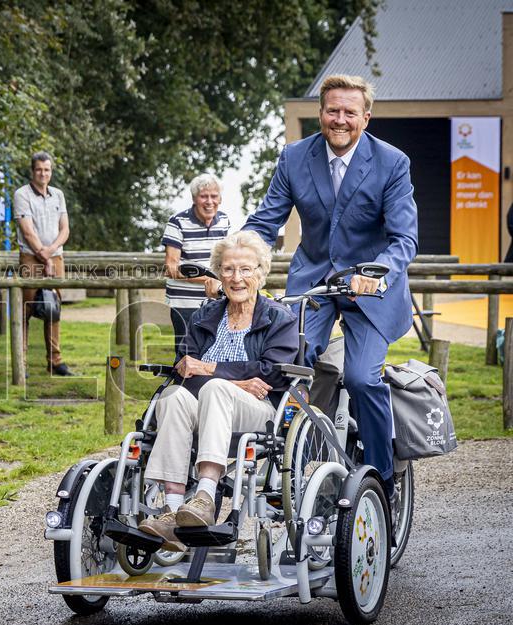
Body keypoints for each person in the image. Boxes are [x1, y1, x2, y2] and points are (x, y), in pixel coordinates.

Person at [241, 74, 418, 501]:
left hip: (371, 289)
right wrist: (238, 258)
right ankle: (296, 460)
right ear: (321, 113)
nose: (340, 119)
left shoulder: (392, 162)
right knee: (290, 367)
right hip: (315, 282)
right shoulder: (295, 157)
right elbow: (266, 222)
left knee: (360, 378)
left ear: (366, 118)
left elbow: (404, 239)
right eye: (332, 110)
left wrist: (376, 274)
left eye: (349, 112)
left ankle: (381, 477)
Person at [139, 232, 296, 549]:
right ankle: (172, 511)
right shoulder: (205, 315)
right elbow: (185, 371)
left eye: (245, 269)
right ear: (218, 274)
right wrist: (236, 380)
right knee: (173, 396)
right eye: (227, 270)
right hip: (207, 403)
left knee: (215, 391)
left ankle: (204, 498)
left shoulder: (280, 318)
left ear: (260, 274)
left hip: (259, 410)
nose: (236, 278)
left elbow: (273, 374)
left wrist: (212, 371)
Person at [14, 151, 73, 376]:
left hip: (56, 256)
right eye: (39, 169)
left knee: (53, 309)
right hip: (31, 256)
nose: (43, 173)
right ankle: (22, 362)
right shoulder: (22, 194)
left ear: (51, 171)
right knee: (27, 310)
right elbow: (27, 231)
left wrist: (50, 255)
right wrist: (43, 256)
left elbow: (65, 229)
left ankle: (55, 361)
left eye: (47, 169)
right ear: (32, 171)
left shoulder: (58, 194)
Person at [162, 173, 229, 358]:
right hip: (184, 302)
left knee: (213, 352)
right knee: (185, 354)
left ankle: (206, 387)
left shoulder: (224, 221)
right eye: (204, 196)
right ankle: (180, 387)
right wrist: (208, 278)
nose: (209, 201)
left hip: (216, 300)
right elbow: (171, 268)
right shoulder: (177, 222)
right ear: (194, 199)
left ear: (220, 199)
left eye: (214, 196)